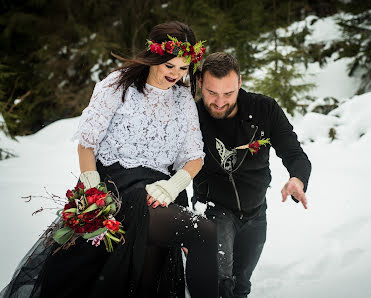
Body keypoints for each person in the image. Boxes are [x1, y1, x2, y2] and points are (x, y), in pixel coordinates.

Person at [1, 21, 218, 298]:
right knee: (204, 232)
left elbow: (194, 158)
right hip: (119, 192)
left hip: (159, 194)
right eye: (169, 65)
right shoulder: (118, 85)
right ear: (153, 57)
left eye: (183, 68)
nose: (176, 74)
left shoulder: (183, 100)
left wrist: (172, 187)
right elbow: (87, 144)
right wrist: (92, 193)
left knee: (147, 279)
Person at [192, 52, 311, 298]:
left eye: (228, 93)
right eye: (212, 93)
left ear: (240, 83)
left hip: (256, 210)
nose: (220, 102)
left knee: (241, 284)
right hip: (213, 208)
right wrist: (182, 223)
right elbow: (173, 170)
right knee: (218, 283)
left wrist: (297, 178)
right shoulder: (191, 117)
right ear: (201, 83)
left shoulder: (264, 109)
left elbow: (294, 152)